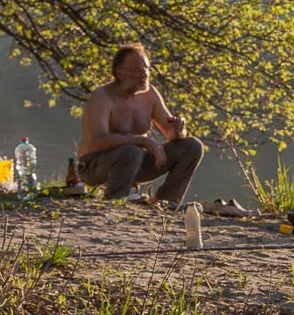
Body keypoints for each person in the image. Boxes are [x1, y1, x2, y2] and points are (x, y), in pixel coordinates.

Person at [77, 44, 204, 206]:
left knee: (192, 145)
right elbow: (99, 141)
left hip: (135, 161)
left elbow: (171, 132)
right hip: (94, 166)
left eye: (146, 68)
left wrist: (179, 130)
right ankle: (116, 199)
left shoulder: (150, 94)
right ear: (120, 72)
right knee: (131, 150)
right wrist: (143, 141)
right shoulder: (102, 96)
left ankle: (166, 201)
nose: (144, 74)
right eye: (137, 70)